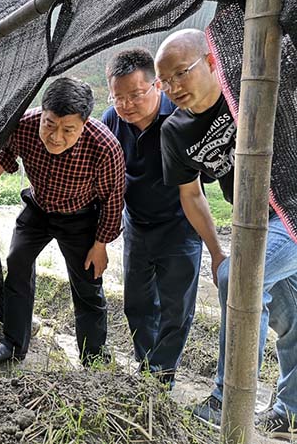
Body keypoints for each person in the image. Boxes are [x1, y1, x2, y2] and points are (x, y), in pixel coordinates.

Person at [155, 29, 297, 438]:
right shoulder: (175, 131)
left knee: (239, 279)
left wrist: (227, 266)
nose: (173, 87)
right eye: (165, 81)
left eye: (182, 73)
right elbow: (190, 193)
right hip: (259, 222)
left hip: (295, 210)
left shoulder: (253, 82)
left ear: (212, 61)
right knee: (291, 318)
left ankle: (224, 398)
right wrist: (216, 250)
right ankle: (291, 411)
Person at [0, 77, 125, 368]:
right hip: (38, 209)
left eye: (68, 130)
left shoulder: (104, 146)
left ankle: (93, 359)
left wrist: (100, 244)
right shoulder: (25, 123)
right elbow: (7, 150)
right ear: (43, 112)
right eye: (50, 124)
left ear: (85, 124)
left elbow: (113, 200)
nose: (56, 137)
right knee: (17, 263)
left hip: (80, 217)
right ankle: (13, 344)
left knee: (88, 283)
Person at [101, 48, 202, 387]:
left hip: (181, 224)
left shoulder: (183, 117)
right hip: (138, 225)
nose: (127, 105)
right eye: (119, 98)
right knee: (138, 304)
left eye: (136, 94)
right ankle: (147, 371)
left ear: (157, 86)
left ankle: (160, 379)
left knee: (176, 308)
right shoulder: (111, 122)